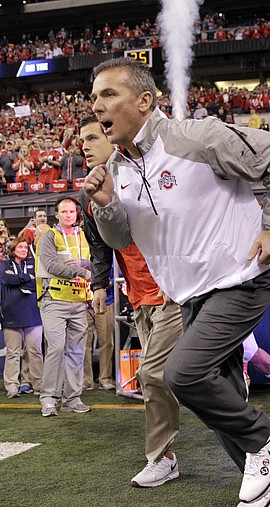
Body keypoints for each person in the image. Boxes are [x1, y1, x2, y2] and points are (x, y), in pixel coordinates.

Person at [84, 57, 270, 507]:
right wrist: (104, 205)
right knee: (220, 388)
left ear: (144, 101)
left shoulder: (194, 137)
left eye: (107, 94)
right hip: (188, 295)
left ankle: (265, 438)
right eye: (94, 94)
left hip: (238, 278)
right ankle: (267, 475)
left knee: (181, 373)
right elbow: (122, 237)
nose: (96, 103)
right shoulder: (120, 169)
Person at [77, 114, 184, 487]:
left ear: (112, 138)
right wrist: (100, 285)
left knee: (153, 374)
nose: (86, 146)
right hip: (139, 297)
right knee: (165, 377)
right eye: (82, 141)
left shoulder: (141, 173)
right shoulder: (87, 192)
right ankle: (171, 455)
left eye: (93, 136)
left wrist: (183, 276)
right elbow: (98, 246)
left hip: (175, 292)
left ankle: (161, 457)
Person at [35, 195, 92, 417]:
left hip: (79, 301)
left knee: (77, 352)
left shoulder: (85, 236)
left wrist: (83, 265)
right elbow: (51, 266)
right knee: (56, 348)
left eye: (72, 211)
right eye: (64, 211)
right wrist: (83, 271)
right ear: (56, 214)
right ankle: (48, 399)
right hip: (54, 300)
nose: (68, 214)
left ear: (77, 213)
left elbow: (96, 261)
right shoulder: (50, 236)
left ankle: (72, 398)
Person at [0, 237, 43, 398]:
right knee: (13, 352)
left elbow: (37, 284)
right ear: (13, 249)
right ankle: (11, 385)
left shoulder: (33, 264)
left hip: (33, 313)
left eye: (25, 247)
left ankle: (38, 385)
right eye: (20, 247)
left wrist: (20, 280)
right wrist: (26, 278)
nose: (24, 249)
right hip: (11, 313)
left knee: (35, 352)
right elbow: (5, 279)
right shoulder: (5, 265)